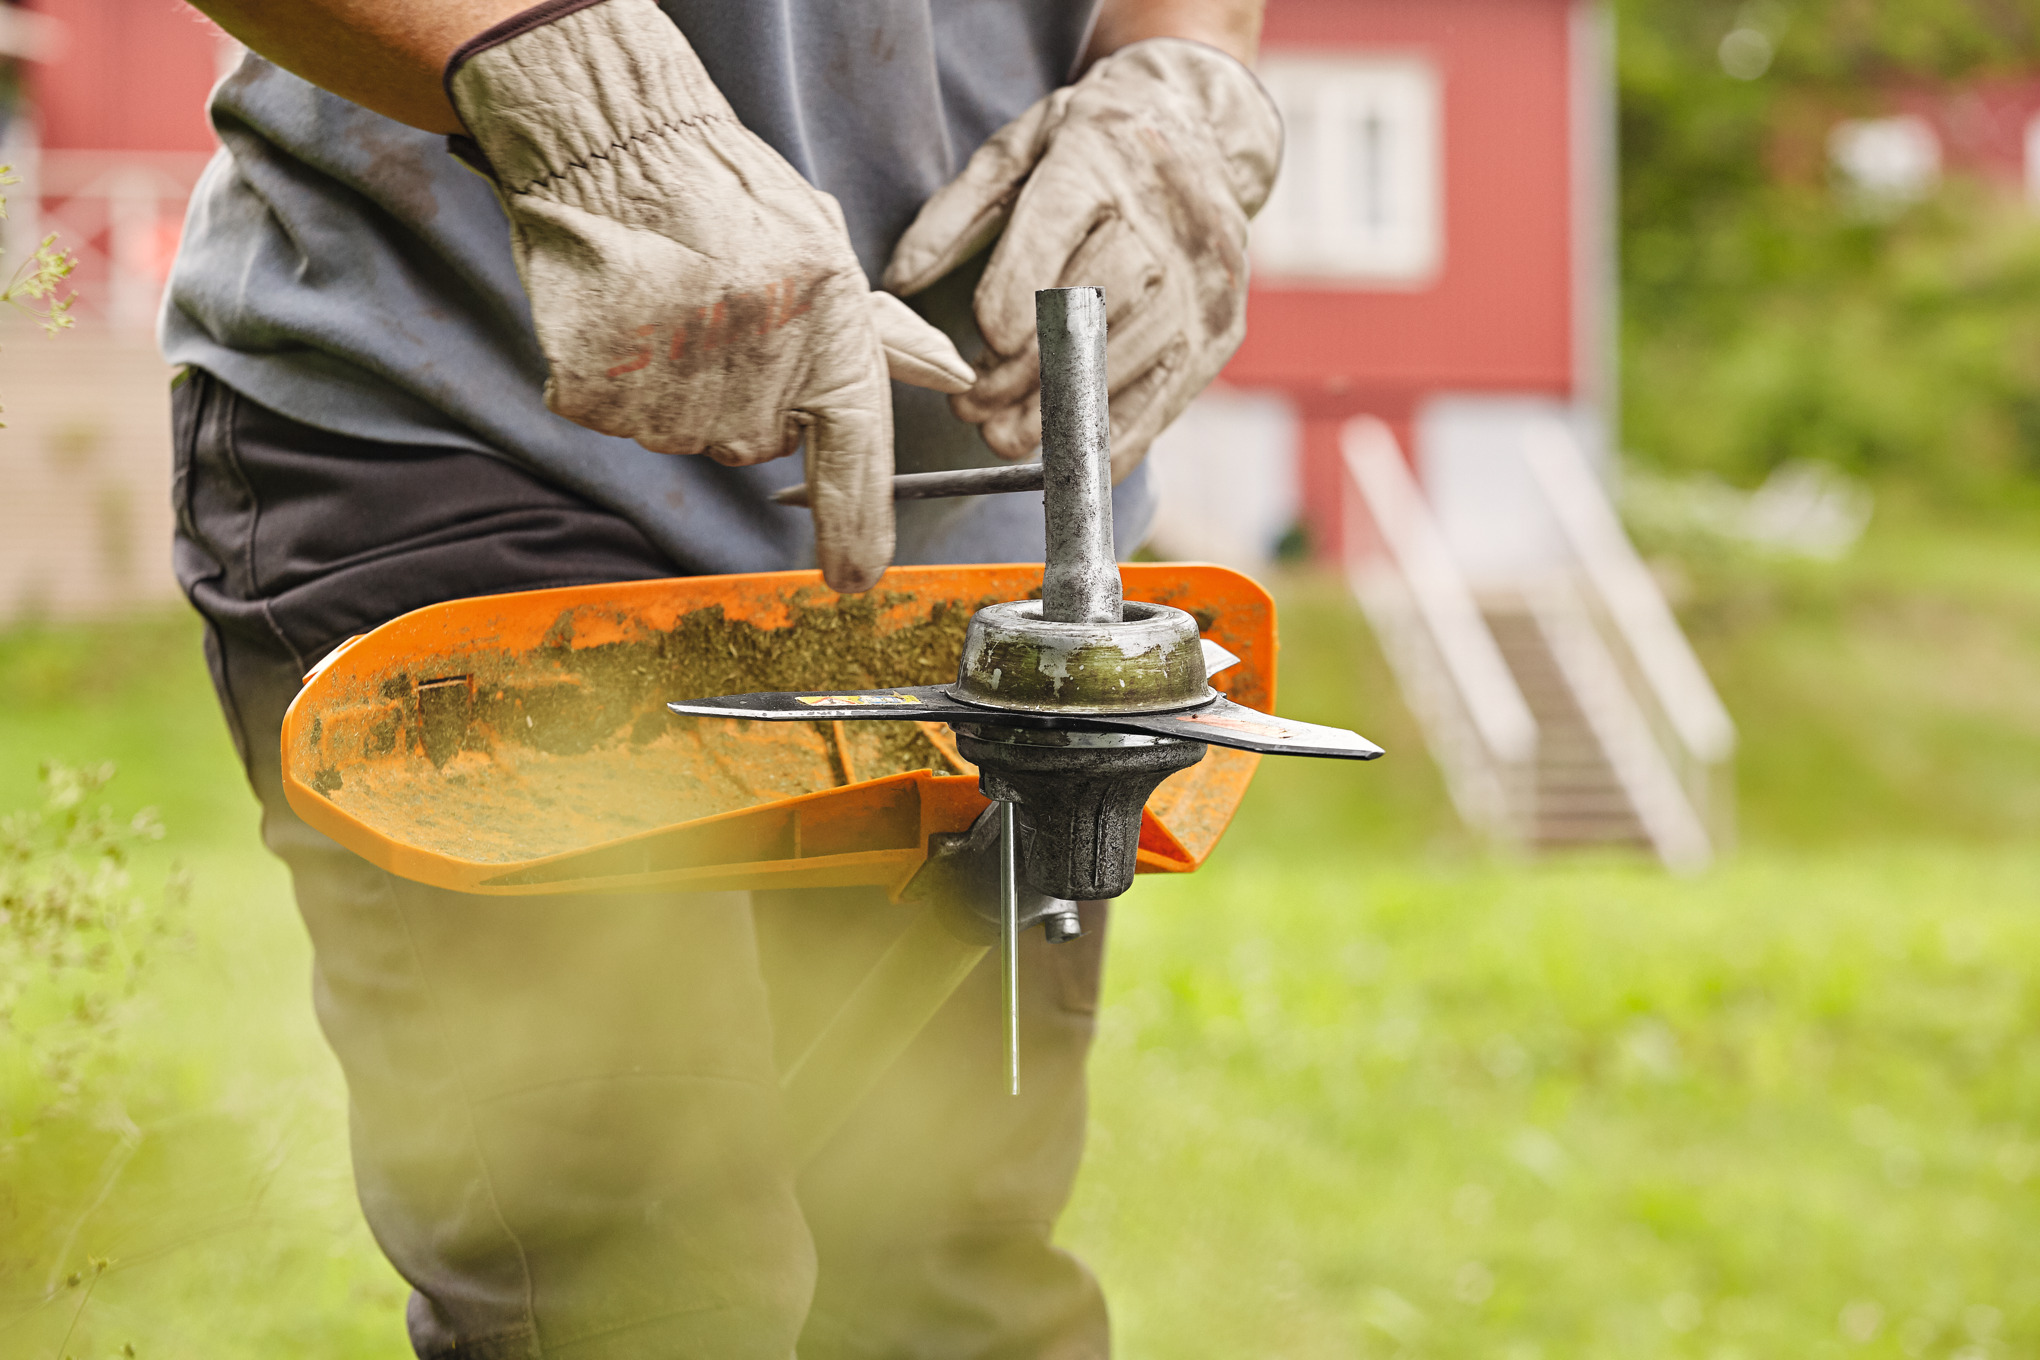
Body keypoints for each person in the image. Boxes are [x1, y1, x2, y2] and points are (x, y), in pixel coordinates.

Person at [165, 0, 1280, 1353]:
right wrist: (569, 92)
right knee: (646, 1296)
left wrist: (1181, 76)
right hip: (476, 409)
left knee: (935, 1285)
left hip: (966, 527)